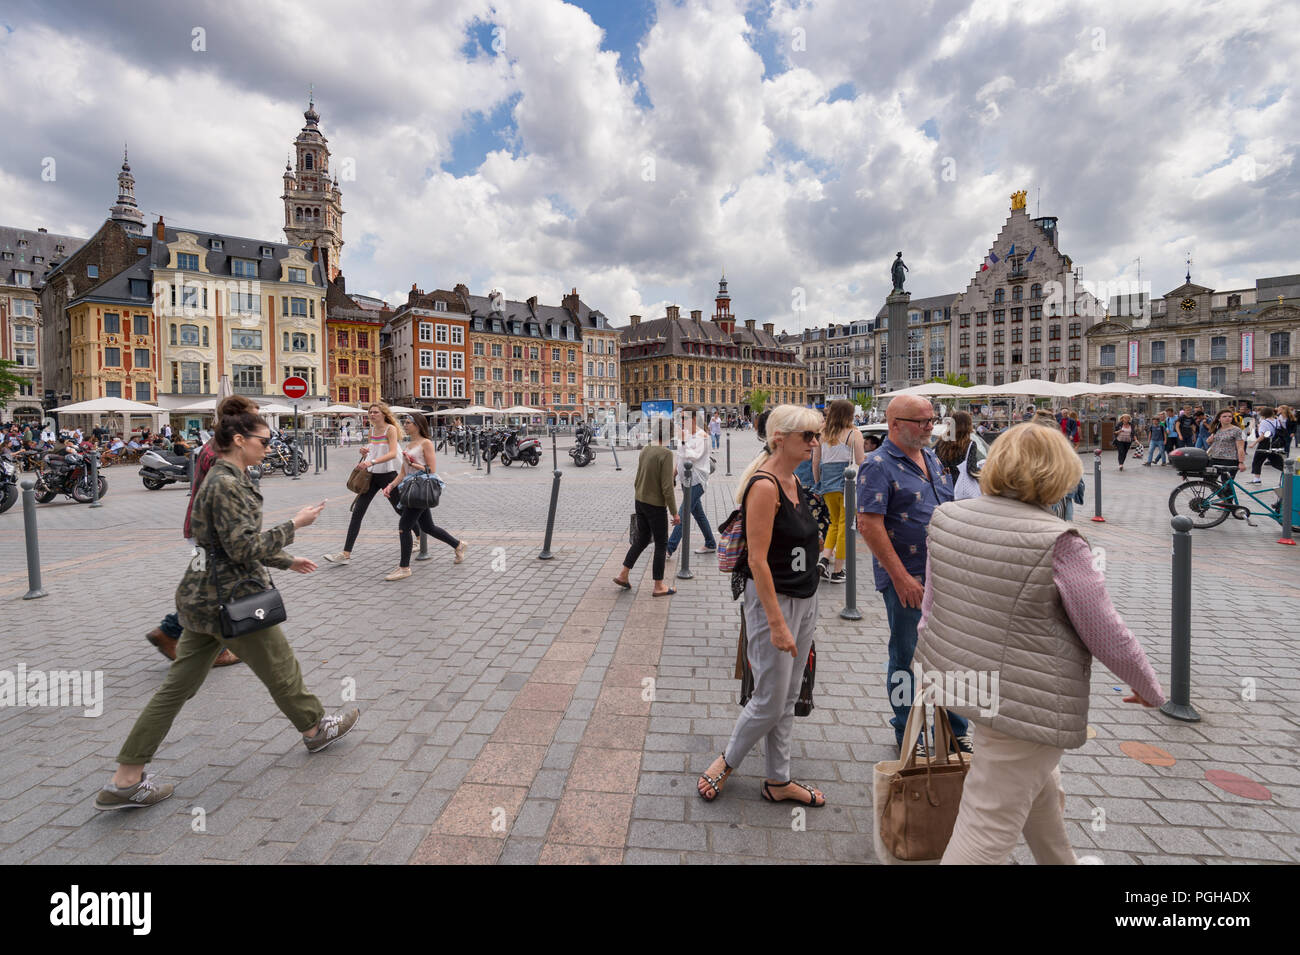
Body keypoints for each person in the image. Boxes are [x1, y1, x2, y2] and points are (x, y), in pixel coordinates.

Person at [912, 423, 1165, 864]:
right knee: (987, 822)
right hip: (1025, 697)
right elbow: (1105, 630)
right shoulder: (1058, 540)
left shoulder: (948, 517)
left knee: (1038, 785)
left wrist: (936, 668)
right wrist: (1148, 684)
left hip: (966, 681)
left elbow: (932, 608)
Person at [94, 404, 360, 811]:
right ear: (240, 440)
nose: (269, 448)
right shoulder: (227, 483)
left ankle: (126, 779)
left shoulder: (225, 476)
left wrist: (286, 561)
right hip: (231, 598)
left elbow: (226, 544)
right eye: (264, 441)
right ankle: (315, 728)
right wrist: (295, 525)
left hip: (202, 598)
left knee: (176, 688)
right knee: (281, 666)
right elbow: (241, 548)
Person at [696, 404, 825, 807]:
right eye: (808, 436)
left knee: (787, 697)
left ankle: (778, 779)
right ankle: (727, 760)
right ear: (779, 439)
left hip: (805, 598)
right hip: (776, 602)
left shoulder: (793, 481)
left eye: (817, 435)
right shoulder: (766, 486)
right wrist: (776, 623)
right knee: (769, 697)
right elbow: (756, 560)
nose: (815, 443)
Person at [856, 394, 971, 755]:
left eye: (931, 420)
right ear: (895, 424)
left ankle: (955, 728)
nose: (929, 427)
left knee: (951, 654)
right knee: (906, 655)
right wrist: (901, 577)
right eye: (922, 421)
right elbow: (868, 525)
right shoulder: (877, 465)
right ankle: (907, 729)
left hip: (945, 574)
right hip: (908, 577)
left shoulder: (933, 457)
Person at [379, 414, 466, 580]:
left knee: (404, 526)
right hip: (411, 489)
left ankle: (404, 567)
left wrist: (414, 464)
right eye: (404, 422)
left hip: (420, 488)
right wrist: (390, 486)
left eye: (408, 423)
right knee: (428, 527)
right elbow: (404, 472)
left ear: (418, 425)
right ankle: (458, 545)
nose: (405, 425)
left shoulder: (426, 443)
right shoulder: (410, 444)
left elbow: (431, 469)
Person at [323, 402, 402, 564]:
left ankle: (418, 535)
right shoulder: (372, 430)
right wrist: (365, 451)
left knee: (400, 510)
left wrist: (371, 461)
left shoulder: (390, 429)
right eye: (370, 412)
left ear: (384, 414)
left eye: (375, 412)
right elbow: (373, 448)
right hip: (371, 476)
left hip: (388, 475)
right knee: (357, 512)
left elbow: (393, 453)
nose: (372, 415)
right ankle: (345, 554)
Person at [612, 415, 680, 596]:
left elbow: (638, 477)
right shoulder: (666, 454)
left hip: (640, 500)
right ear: (670, 434)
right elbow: (667, 487)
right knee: (661, 544)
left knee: (641, 539)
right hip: (655, 505)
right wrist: (675, 513)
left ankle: (623, 574)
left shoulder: (646, 449)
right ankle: (659, 586)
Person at [812, 399, 865, 584]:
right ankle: (837, 570)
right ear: (850, 415)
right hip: (847, 485)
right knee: (845, 526)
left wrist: (819, 483)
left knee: (835, 523)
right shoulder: (854, 433)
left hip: (827, 484)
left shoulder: (823, 434)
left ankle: (825, 558)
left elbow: (815, 462)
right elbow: (860, 461)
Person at [665, 408, 716, 558]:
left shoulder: (703, 437)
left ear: (693, 419)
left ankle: (669, 548)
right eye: (680, 419)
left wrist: (682, 440)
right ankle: (711, 543)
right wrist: (673, 476)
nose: (681, 422)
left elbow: (693, 457)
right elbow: (680, 459)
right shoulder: (686, 435)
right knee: (698, 514)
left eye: (683, 419)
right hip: (685, 480)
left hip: (697, 481)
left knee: (683, 513)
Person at [1247, 407, 1286, 484]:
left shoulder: (1264, 422)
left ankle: (1256, 478)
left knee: (1257, 460)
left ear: (1262, 414)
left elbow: (1263, 436)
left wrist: (1253, 443)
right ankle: (1287, 474)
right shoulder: (1277, 421)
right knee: (1276, 460)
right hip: (1275, 443)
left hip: (1265, 443)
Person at [934, 410, 973, 482]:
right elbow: (971, 470)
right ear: (968, 425)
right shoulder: (969, 444)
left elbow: (936, 463)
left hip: (944, 484)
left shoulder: (941, 441)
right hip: (961, 487)